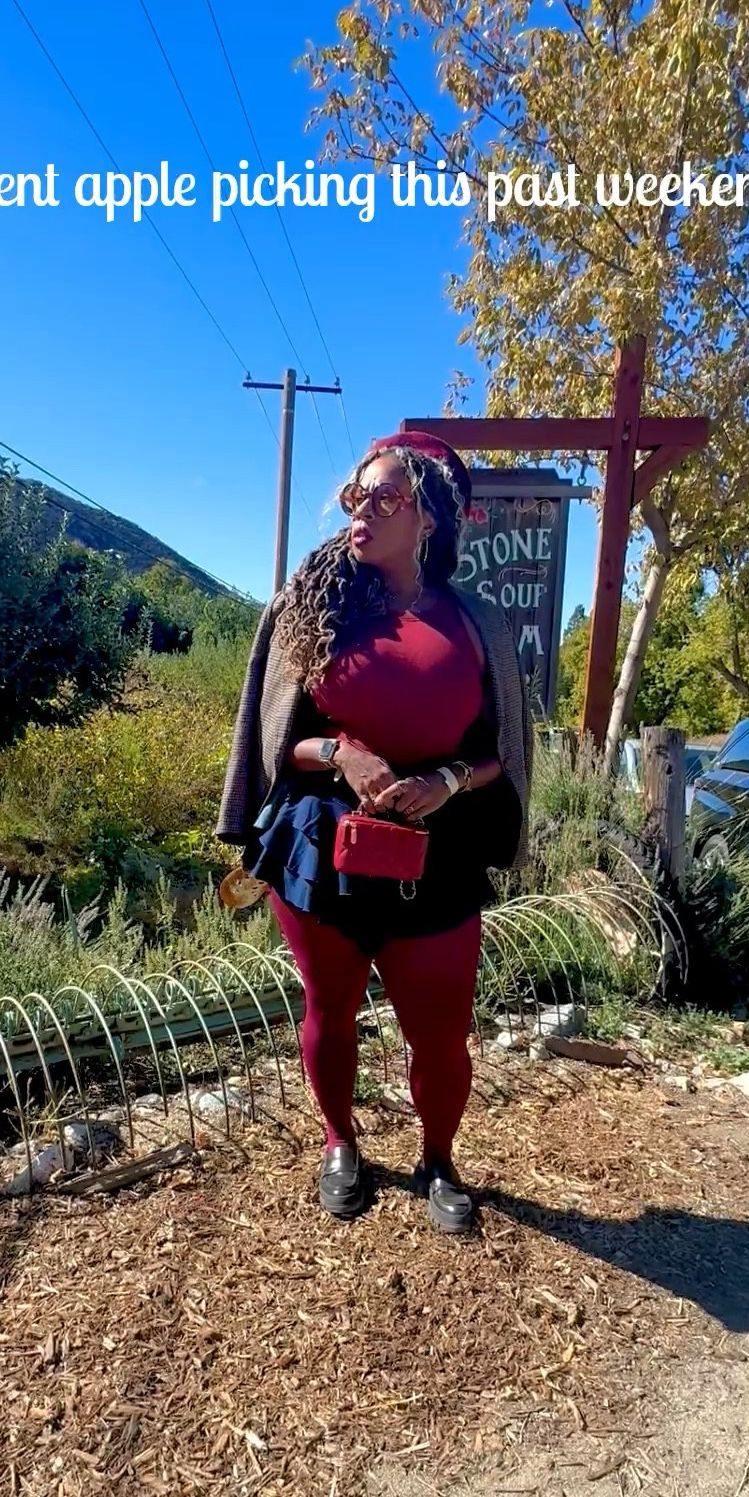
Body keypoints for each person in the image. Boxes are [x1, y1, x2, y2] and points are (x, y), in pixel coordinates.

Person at [217, 431, 532, 1232]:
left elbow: (501, 755)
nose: (363, 511)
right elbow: (278, 739)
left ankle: (439, 1158)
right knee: (329, 1007)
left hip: (442, 852)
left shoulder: (479, 625)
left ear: (428, 516)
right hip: (323, 846)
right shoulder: (311, 608)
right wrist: (344, 752)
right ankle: (340, 1141)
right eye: (357, 496)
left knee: (442, 1031)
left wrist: (447, 780)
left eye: (385, 497)